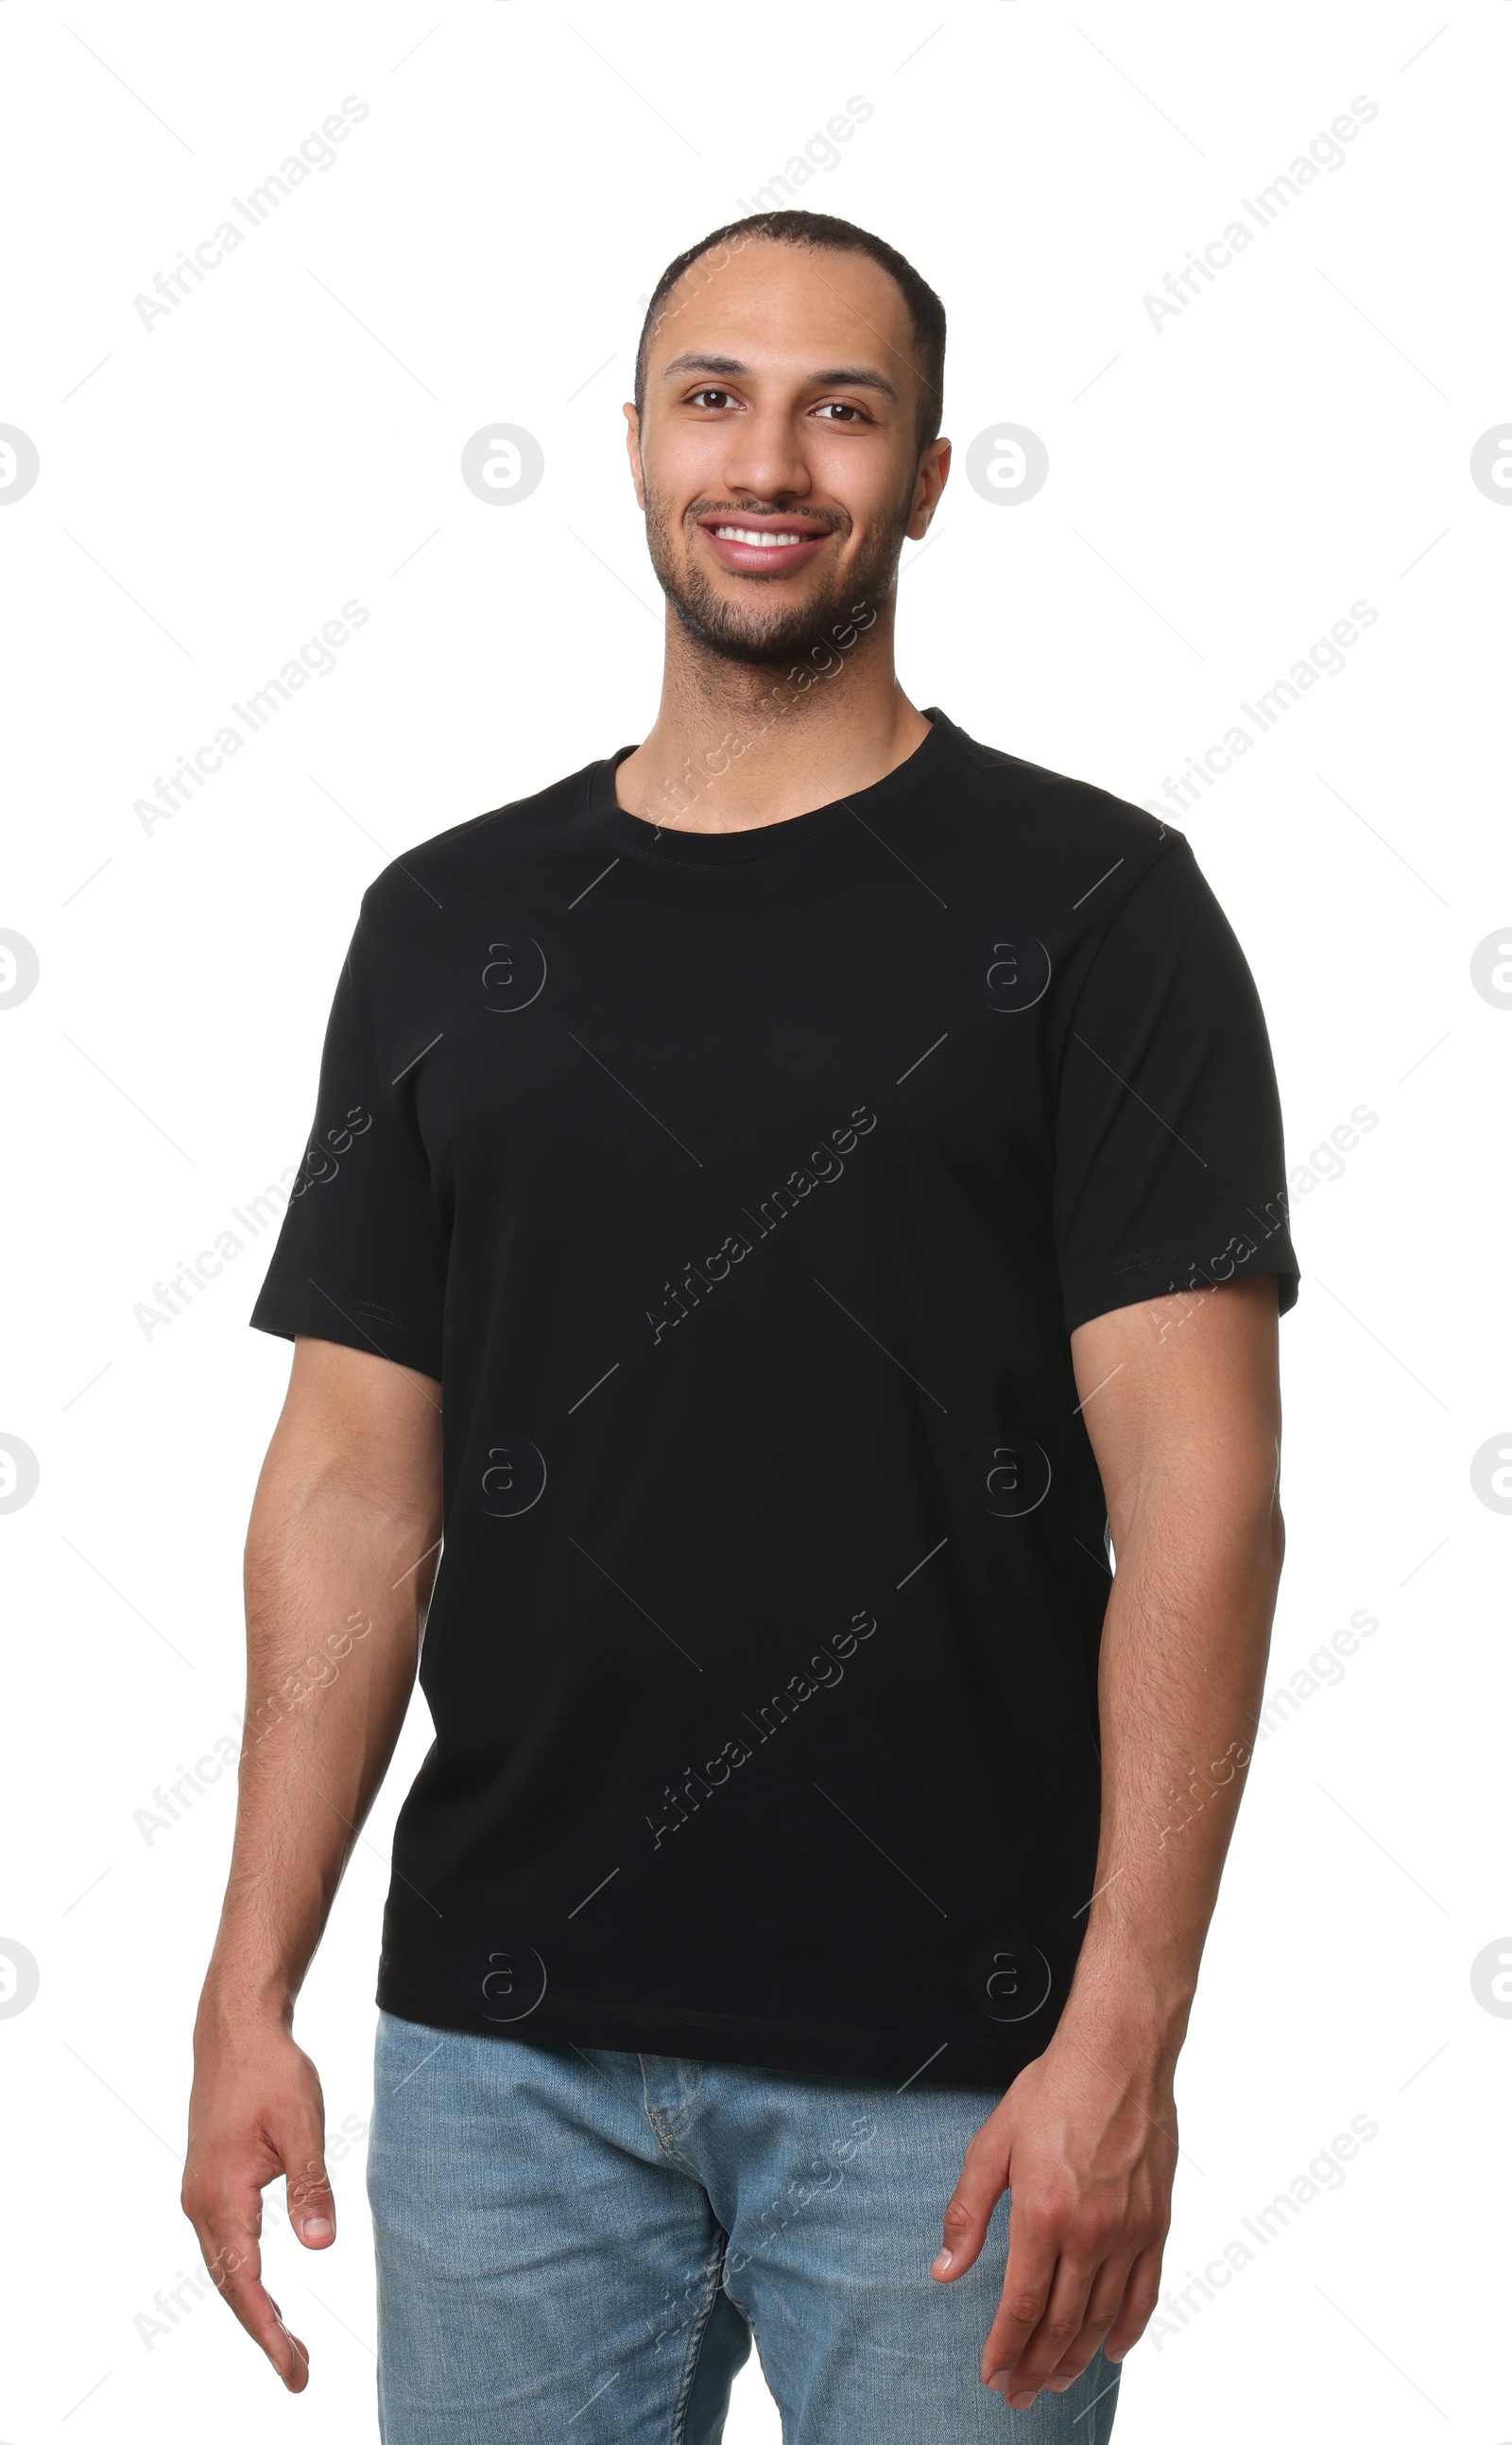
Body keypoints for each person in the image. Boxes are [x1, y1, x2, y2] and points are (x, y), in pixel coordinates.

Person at [182, 209, 1297, 2442]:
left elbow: (1202, 1499)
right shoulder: (447, 922)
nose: (766, 457)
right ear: (630, 445)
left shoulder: (1090, 908)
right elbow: (343, 1484)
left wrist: (1121, 2032)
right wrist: (247, 1980)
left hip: (951, 2077)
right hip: (502, 2067)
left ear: (922, 473)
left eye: (839, 407)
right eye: (714, 396)